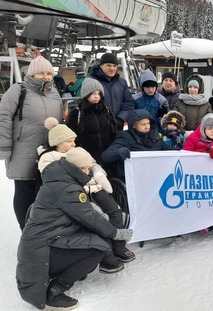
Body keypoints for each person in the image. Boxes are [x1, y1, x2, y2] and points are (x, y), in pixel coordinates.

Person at [16, 147, 133, 310]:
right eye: (83, 168)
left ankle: (74, 269)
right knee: (97, 248)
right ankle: (55, 291)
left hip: (45, 241)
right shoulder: (67, 188)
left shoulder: (60, 179)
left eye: (88, 168)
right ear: (72, 167)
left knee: (95, 237)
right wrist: (117, 233)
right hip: (43, 248)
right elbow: (91, 218)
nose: (87, 172)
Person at [39, 117, 135, 269]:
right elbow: (54, 178)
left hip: (94, 187)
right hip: (75, 194)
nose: (73, 144)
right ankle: (106, 255)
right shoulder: (47, 158)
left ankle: (119, 245)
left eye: (74, 140)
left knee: (114, 210)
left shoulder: (78, 151)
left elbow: (93, 163)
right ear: (57, 143)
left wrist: (99, 175)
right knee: (96, 218)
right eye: (69, 141)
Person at [0, 56, 63, 229]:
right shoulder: (18, 90)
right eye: (42, 73)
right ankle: (25, 229)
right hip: (23, 150)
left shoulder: (54, 93)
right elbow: (3, 117)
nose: (46, 77)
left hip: (48, 151)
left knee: (44, 191)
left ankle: (42, 229)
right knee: (24, 191)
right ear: (32, 74)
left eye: (49, 73)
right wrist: (4, 146)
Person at [182, 113, 213, 233]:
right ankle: (200, 221)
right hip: (197, 175)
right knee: (200, 197)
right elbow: (184, 154)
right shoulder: (194, 137)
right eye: (210, 128)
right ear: (204, 128)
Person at [101, 109, 170, 180]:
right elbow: (105, 156)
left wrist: (179, 151)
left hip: (154, 174)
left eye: (148, 123)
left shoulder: (155, 135)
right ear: (133, 125)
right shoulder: (125, 137)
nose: (147, 127)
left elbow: (168, 151)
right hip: (132, 177)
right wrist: (118, 152)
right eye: (143, 124)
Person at [66, 78, 117, 168]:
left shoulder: (106, 111)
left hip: (106, 156)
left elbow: (114, 132)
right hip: (85, 157)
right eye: (93, 93)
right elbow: (71, 136)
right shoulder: (76, 113)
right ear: (86, 95)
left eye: (99, 93)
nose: (97, 96)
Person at [87, 53, 135, 130]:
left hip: (117, 126)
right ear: (101, 66)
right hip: (98, 126)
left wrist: (120, 118)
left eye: (114, 66)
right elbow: (86, 103)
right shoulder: (92, 81)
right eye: (108, 65)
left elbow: (129, 103)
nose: (112, 68)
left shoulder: (122, 82)